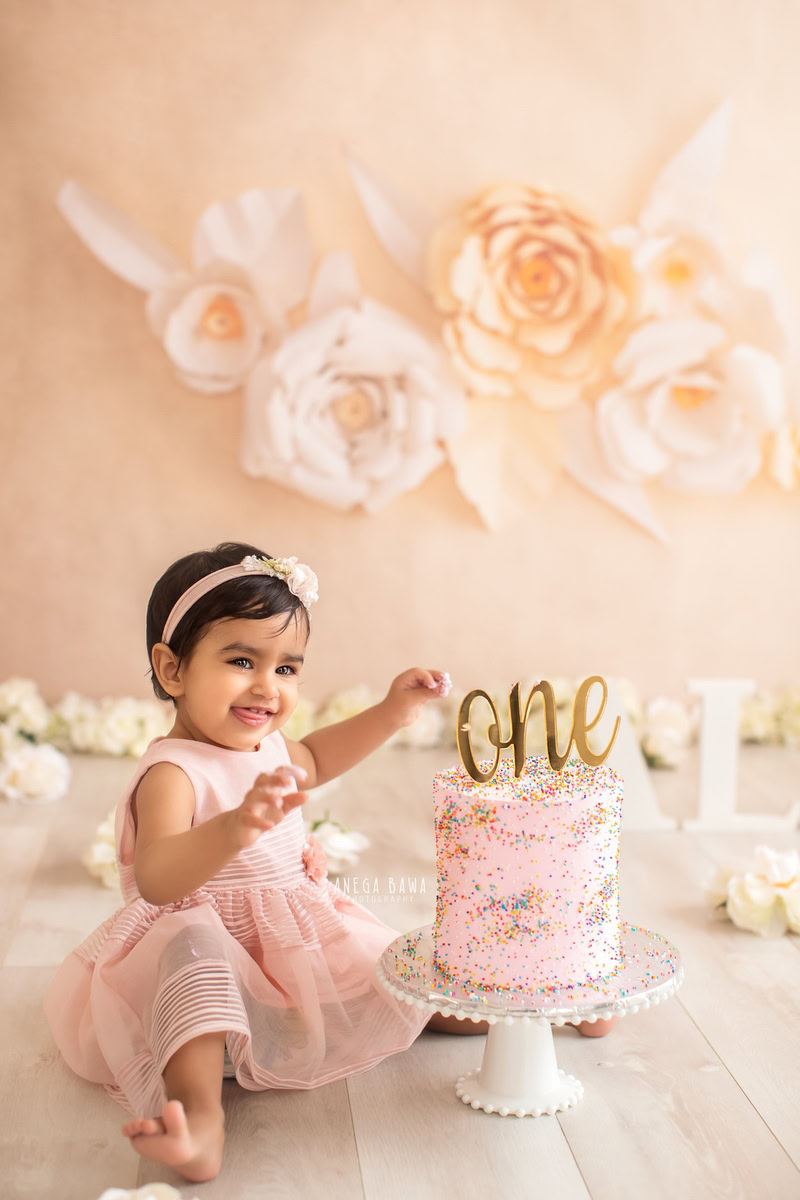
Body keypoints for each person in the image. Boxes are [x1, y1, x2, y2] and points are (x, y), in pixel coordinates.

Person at [43, 540, 614, 1184]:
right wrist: (233, 828)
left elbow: (314, 759)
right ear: (172, 669)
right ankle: (199, 1121)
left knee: (410, 988)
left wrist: (391, 713)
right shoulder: (173, 772)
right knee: (197, 991)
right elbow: (157, 878)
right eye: (241, 660)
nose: (267, 686)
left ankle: (542, 1008)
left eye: (287, 668)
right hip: (197, 941)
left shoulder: (267, 744)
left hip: (289, 938)